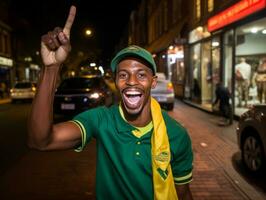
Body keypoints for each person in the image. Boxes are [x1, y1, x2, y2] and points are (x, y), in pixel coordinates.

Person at [27, 6, 193, 200]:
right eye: (123, 75)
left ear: (153, 81)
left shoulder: (176, 134)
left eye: (141, 75)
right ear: (115, 81)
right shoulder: (101, 119)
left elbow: (183, 193)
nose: (131, 81)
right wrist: (52, 68)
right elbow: (40, 141)